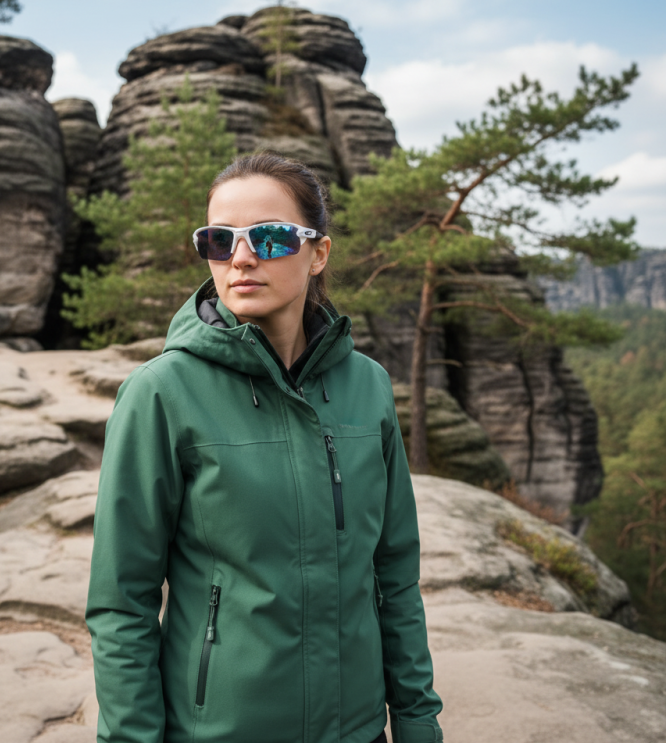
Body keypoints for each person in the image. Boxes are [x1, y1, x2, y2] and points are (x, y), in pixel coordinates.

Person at [86, 152, 444, 743]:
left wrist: (416, 721)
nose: (242, 258)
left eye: (270, 237)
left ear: (318, 252)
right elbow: (121, 603)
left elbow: (396, 577)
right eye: (219, 239)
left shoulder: (369, 387)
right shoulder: (161, 393)